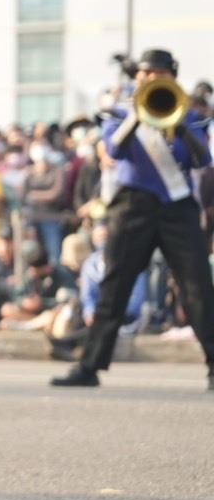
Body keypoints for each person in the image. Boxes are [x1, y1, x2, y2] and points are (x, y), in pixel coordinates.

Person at [54, 49, 214, 390]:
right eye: (145, 74)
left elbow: (202, 160)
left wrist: (179, 124)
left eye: (158, 74)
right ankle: (89, 365)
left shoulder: (188, 114)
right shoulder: (119, 111)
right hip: (133, 205)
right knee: (114, 286)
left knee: (198, 287)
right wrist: (140, 115)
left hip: (177, 204)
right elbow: (114, 150)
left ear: (171, 77)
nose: (151, 79)